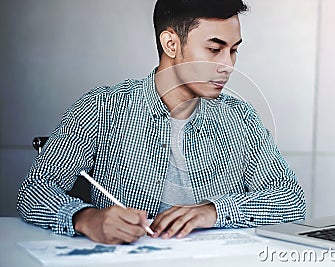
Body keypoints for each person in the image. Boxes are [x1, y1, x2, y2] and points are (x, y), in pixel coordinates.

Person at [17, 0, 306, 245]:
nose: (227, 65)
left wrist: (214, 212)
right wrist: (86, 218)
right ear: (170, 44)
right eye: (214, 49)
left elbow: (292, 200)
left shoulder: (241, 118)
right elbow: (34, 190)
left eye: (234, 50)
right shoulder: (101, 109)